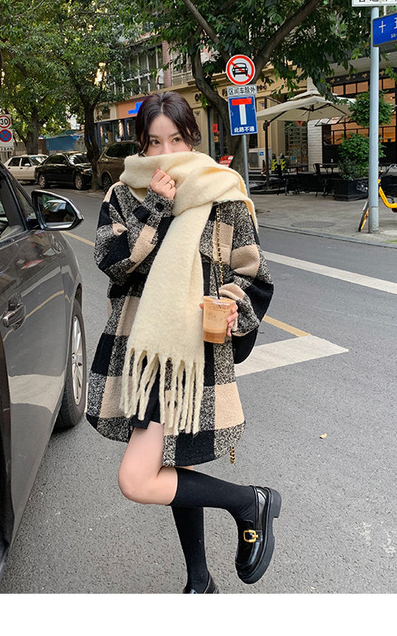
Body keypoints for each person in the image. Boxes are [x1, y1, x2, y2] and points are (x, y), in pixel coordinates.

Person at [87, 91, 279, 594]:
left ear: (192, 138)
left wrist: (233, 307)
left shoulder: (224, 193)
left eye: (175, 139)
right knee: (169, 468)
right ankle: (201, 580)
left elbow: (253, 275)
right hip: (146, 353)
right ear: (141, 145)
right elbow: (113, 262)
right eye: (154, 142)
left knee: (141, 477)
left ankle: (249, 503)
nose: (166, 152)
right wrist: (157, 207)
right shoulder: (124, 194)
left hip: (194, 353)